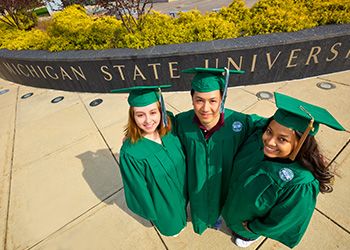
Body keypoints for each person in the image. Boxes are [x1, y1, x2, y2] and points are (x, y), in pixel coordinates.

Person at [222, 92, 346, 248]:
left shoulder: (300, 183)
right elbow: (252, 121)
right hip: (232, 203)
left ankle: (247, 236)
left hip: (247, 223)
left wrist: (254, 228)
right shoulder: (259, 137)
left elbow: (285, 219)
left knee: (242, 233)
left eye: (282, 139)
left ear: (301, 143)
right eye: (269, 131)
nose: (270, 141)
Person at [175, 67, 265, 235]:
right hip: (197, 182)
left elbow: (269, 127)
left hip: (224, 179)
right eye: (199, 100)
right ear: (192, 99)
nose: (205, 108)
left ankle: (216, 217)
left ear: (222, 99)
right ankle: (202, 221)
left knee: (221, 201)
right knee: (200, 205)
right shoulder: (182, 122)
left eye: (213, 100)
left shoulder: (239, 122)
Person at [111, 85, 187, 237]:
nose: (148, 120)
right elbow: (137, 189)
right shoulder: (131, 153)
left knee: (183, 209)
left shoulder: (170, 127)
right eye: (140, 115)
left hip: (183, 191)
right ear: (133, 117)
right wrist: (152, 212)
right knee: (173, 229)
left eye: (153, 112)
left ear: (161, 111)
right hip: (163, 204)